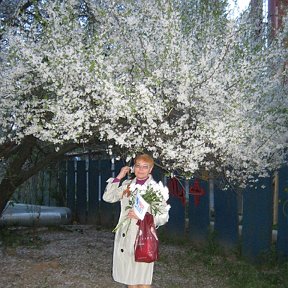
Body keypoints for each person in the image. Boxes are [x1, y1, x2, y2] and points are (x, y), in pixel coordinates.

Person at [103, 153, 170, 288]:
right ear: (133, 167)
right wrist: (119, 177)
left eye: (145, 166)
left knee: (143, 281)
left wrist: (144, 217)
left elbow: (163, 216)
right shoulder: (128, 185)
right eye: (138, 165)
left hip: (143, 237)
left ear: (150, 169)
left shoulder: (155, 189)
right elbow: (108, 197)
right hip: (125, 236)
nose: (140, 169)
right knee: (130, 280)